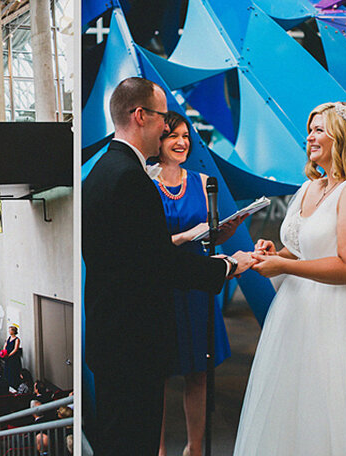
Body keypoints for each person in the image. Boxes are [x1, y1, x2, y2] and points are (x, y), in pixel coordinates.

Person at [234, 102, 346, 455]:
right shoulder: (308, 188)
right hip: (296, 316)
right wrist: (276, 254)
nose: (310, 136)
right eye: (310, 129)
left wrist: (285, 267)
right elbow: (301, 249)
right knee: (297, 408)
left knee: (341, 408)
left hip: (344, 317)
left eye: (320, 129)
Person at [82, 77, 253, 456]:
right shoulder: (131, 179)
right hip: (132, 342)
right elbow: (158, 262)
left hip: (111, 337)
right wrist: (227, 267)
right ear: (141, 116)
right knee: (134, 441)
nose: (166, 128)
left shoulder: (99, 174)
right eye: (162, 119)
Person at [154, 111, 246, 456]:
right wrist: (183, 237)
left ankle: (194, 448)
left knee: (199, 372)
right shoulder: (144, 183)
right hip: (162, 285)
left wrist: (222, 232)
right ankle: (158, 448)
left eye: (186, 136)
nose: (181, 142)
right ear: (158, 140)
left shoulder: (204, 180)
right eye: (172, 136)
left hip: (196, 285)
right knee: (158, 375)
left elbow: (208, 235)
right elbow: (146, 245)